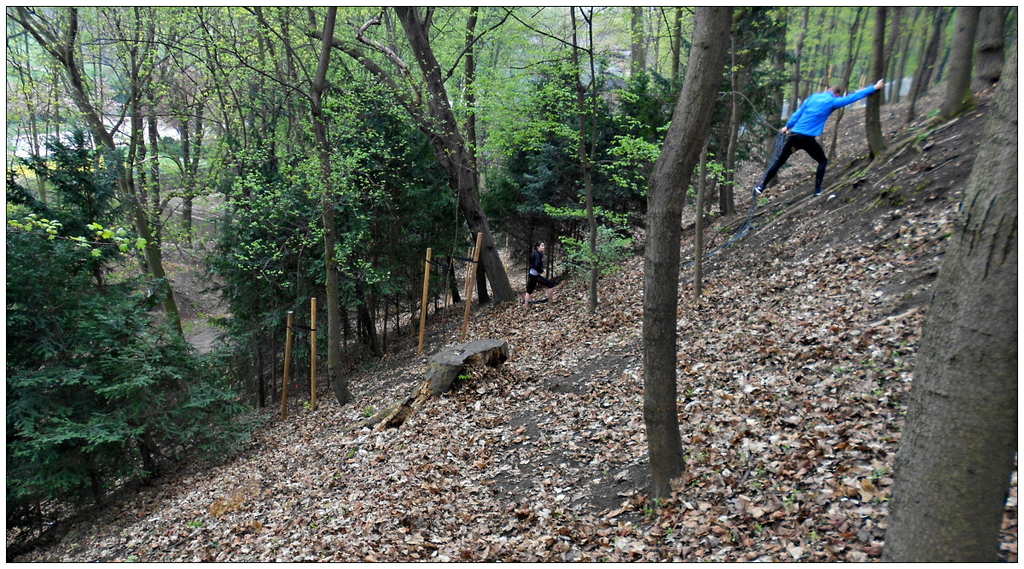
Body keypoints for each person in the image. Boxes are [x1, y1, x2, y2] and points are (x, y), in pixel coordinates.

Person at [754, 79, 885, 198]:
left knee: (779, 161)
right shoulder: (834, 101)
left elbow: (797, 113)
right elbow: (853, 98)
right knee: (822, 161)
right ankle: (817, 191)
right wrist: (874, 87)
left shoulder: (812, 98)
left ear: (828, 90)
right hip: (807, 139)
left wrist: (787, 126)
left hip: (794, 136)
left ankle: (761, 187)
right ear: (838, 94)